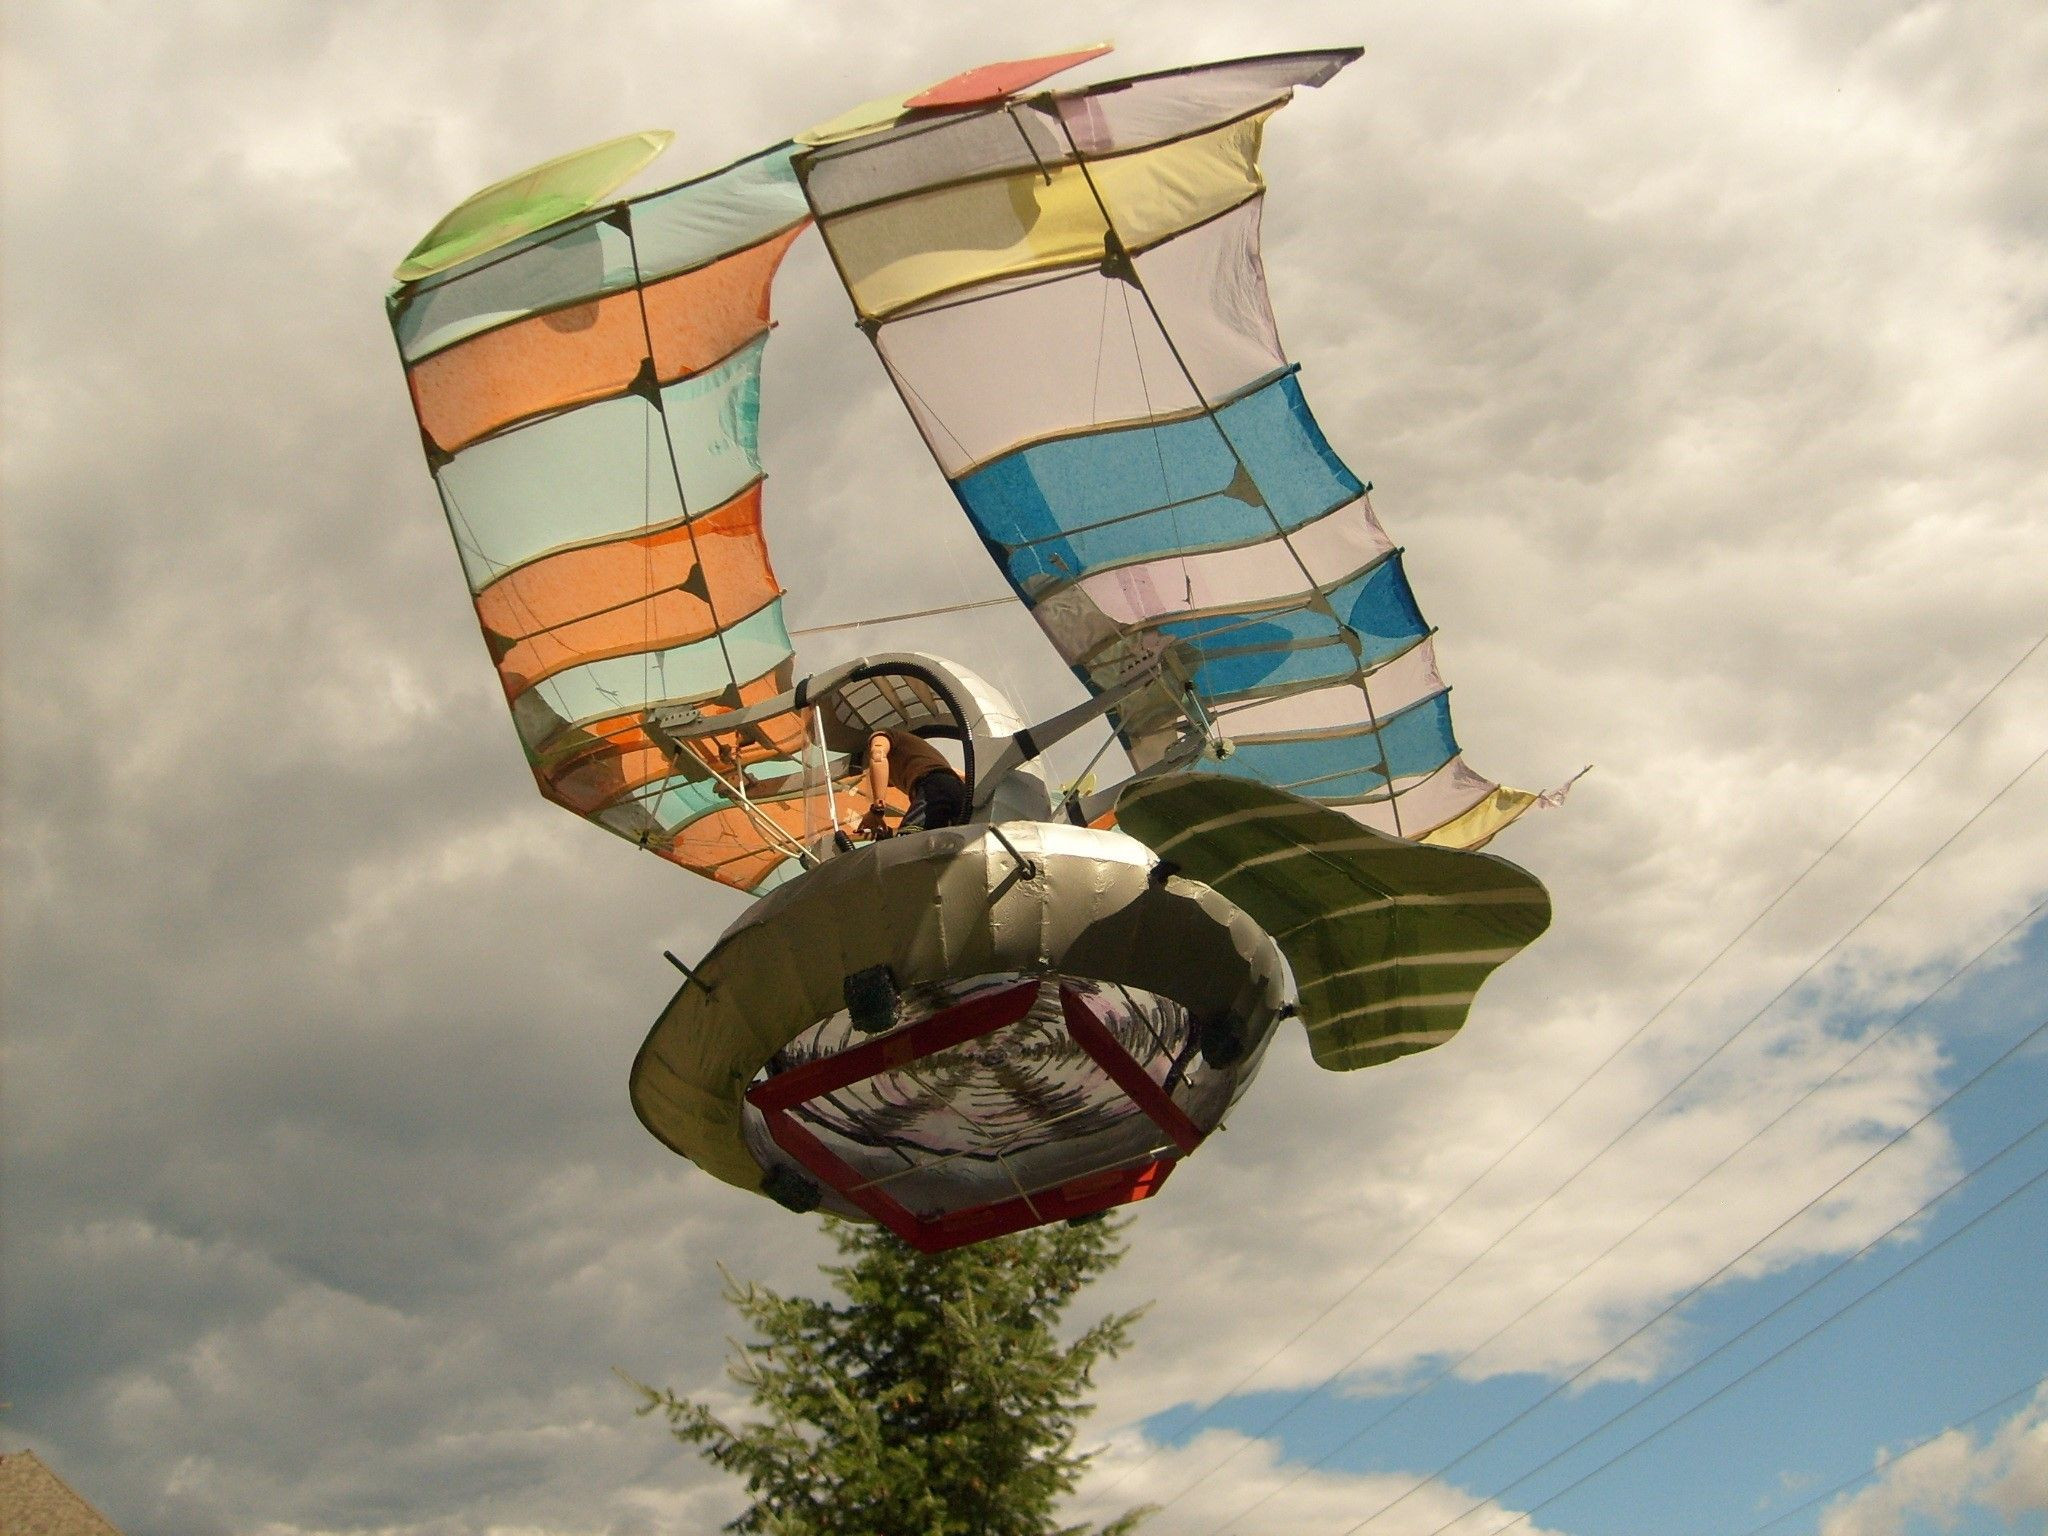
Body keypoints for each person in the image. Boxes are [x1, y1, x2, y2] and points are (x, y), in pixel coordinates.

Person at [856, 727, 969, 837]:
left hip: (934, 787)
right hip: (957, 791)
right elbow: (952, 774)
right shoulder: (920, 755)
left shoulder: (882, 735)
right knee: (940, 842)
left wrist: (877, 807)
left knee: (909, 840)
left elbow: (877, 756)